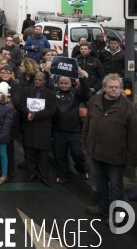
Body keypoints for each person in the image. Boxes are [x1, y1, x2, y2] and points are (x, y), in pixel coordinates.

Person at [83, 73, 137, 222]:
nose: (115, 90)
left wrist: (132, 159)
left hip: (116, 155)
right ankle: (102, 207)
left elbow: (133, 135)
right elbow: (87, 125)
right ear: (105, 88)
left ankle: (117, 215)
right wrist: (85, 144)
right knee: (100, 182)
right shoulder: (94, 101)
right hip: (96, 152)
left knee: (116, 187)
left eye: (117, 87)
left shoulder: (127, 107)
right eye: (111, 87)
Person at [52, 71, 90, 185]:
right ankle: (63, 174)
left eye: (66, 83)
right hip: (58, 131)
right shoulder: (54, 93)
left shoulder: (76, 94)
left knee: (77, 153)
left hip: (73, 131)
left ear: (71, 84)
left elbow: (85, 90)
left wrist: (83, 78)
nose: (64, 85)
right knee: (60, 155)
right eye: (61, 83)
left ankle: (82, 169)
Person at [20, 72, 57, 187]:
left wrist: (36, 114)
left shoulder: (50, 94)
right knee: (30, 152)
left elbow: (51, 110)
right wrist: (28, 113)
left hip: (43, 127)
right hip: (30, 126)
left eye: (40, 80)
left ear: (45, 81)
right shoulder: (27, 91)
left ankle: (44, 176)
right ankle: (32, 173)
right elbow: (21, 105)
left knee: (43, 155)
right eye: (36, 79)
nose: (37, 81)